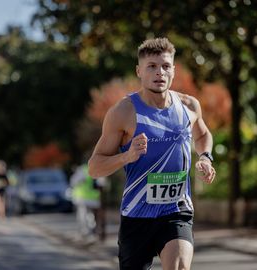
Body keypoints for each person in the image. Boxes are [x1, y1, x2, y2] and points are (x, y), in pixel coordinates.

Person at [88, 37, 216, 270]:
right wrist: (127, 156)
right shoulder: (123, 112)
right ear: (139, 71)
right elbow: (95, 167)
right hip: (137, 216)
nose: (160, 73)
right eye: (152, 66)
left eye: (166, 66)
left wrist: (205, 157)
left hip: (176, 210)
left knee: (179, 266)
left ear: (173, 70)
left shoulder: (189, 106)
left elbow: (203, 135)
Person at [70, 163, 106, 242]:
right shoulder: (99, 168)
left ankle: (86, 233)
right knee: (91, 216)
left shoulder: (82, 170)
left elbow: (73, 182)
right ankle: (92, 232)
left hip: (82, 198)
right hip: (94, 198)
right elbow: (102, 183)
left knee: (83, 216)